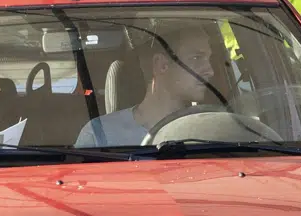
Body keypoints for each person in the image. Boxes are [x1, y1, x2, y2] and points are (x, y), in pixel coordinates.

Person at [76, 22, 217, 147]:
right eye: (196, 58)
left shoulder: (215, 131)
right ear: (162, 65)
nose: (210, 71)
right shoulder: (100, 135)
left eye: (209, 59)